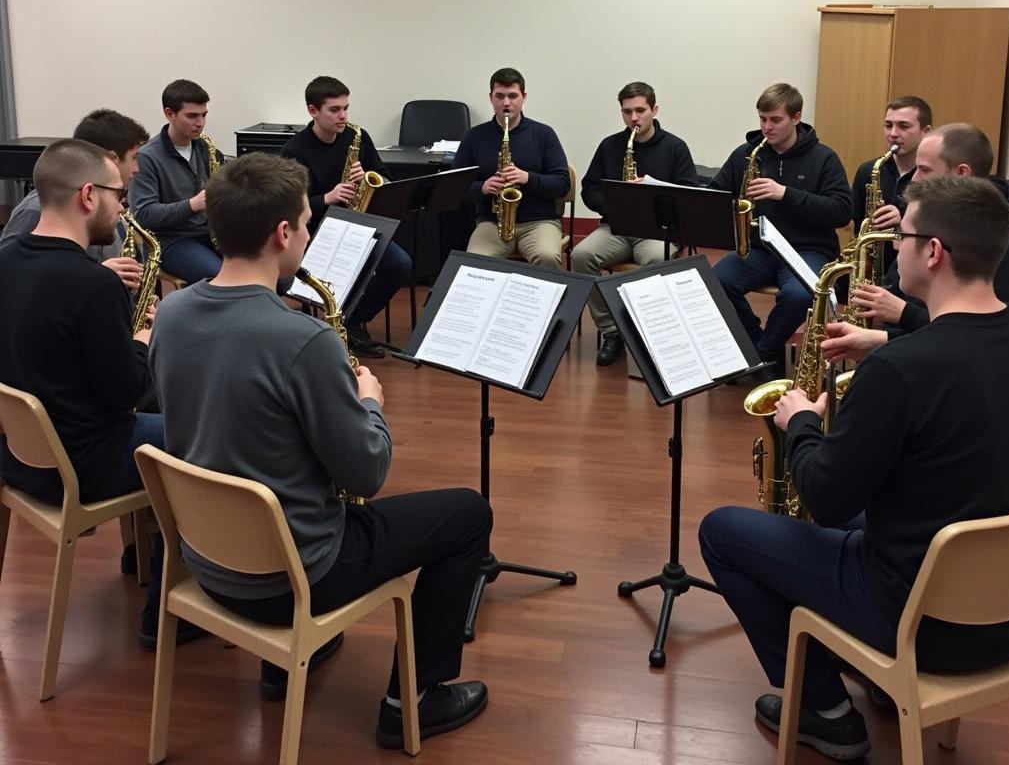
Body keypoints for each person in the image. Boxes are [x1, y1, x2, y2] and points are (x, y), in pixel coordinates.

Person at [148, 152, 492, 745]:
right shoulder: (300, 339)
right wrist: (370, 401)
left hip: (205, 562)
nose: (307, 234)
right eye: (306, 224)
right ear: (283, 233)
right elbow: (368, 473)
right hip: (293, 576)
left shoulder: (172, 312)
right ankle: (413, 699)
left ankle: (284, 665)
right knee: (467, 514)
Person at [699, 175, 1009, 761]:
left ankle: (826, 711)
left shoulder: (902, 371)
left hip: (920, 623)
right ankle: (871, 679)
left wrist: (798, 420)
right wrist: (885, 342)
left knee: (723, 531)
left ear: (933, 252)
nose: (893, 246)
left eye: (902, 236)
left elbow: (825, 494)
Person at [0, 139, 188, 648]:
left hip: (19, 456)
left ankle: (144, 550)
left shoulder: (7, 256)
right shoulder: (91, 284)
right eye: (119, 194)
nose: (123, 206)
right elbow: (123, 395)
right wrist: (144, 340)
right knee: (206, 440)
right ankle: (170, 611)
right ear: (88, 195)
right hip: (82, 461)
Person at [828, 122, 1009, 362]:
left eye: (924, 170)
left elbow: (985, 340)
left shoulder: (1002, 246)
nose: (914, 179)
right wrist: (882, 337)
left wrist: (903, 313)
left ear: (962, 173)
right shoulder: (936, 225)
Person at [711, 84, 852, 379]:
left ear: (796, 117)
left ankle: (763, 353)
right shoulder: (746, 154)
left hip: (807, 249)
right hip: (760, 249)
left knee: (800, 295)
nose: (766, 127)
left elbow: (841, 211)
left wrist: (785, 193)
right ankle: (758, 348)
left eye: (775, 120)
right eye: (762, 119)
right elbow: (716, 194)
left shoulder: (823, 158)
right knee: (716, 281)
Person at [278, 76, 413, 358]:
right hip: (316, 231)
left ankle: (351, 320)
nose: (343, 116)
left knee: (401, 264)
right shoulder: (294, 150)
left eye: (346, 108)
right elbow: (288, 206)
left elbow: (384, 177)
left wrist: (366, 180)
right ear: (313, 111)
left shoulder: (357, 136)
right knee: (346, 270)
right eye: (335, 110)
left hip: (359, 224)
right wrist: (327, 197)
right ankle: (335, 321)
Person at [571, 82, 698, 365]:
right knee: (580, 256)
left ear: (654, 109)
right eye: (627, 112)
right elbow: (589, 189)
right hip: (616, 228)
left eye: (640, 110)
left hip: (658, 231)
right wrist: (615, 203)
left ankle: (644, 330)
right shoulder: (610, 145)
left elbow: (689, 194)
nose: (634, 118)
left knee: (655, 259)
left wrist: (653, 192)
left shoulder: (675, 147)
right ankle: (612, 331)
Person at [0, 108, 149, 294]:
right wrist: (99, 275)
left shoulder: (113, 207)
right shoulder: (36, 210)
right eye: (134, 158)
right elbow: (12, 280)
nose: (137, 169)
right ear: (111, 159)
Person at [452, 67, 569, 269]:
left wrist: (527, 178)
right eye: (500, 96)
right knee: (473, 263)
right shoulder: (474, 136)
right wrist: (483, 187)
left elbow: (562, 183)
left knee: (547, 256)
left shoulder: (544, 134)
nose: (506, 103)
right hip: (491, 222)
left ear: (524, 97)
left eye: (513, 96)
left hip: (539, 221)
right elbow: (455, 186)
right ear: (491, 98)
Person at [129, 79, 223, 285]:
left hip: (209, 233)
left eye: (204, 115)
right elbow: (144, 215)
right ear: (169, 114)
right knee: (224, 279)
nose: (201, 123)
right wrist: (193, 205)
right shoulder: (147, 157)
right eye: (192, 116)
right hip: (170, 241)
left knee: (267, 268)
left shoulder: (204, 147)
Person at [847, 95, 932, 278]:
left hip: (917, 272)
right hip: (870, 271)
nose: (893, 133)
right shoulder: (868, 170)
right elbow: (857, 229)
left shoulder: (933, 175)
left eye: (903, 126)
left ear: (925, 131)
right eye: (888, 125)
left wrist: (902, 220)